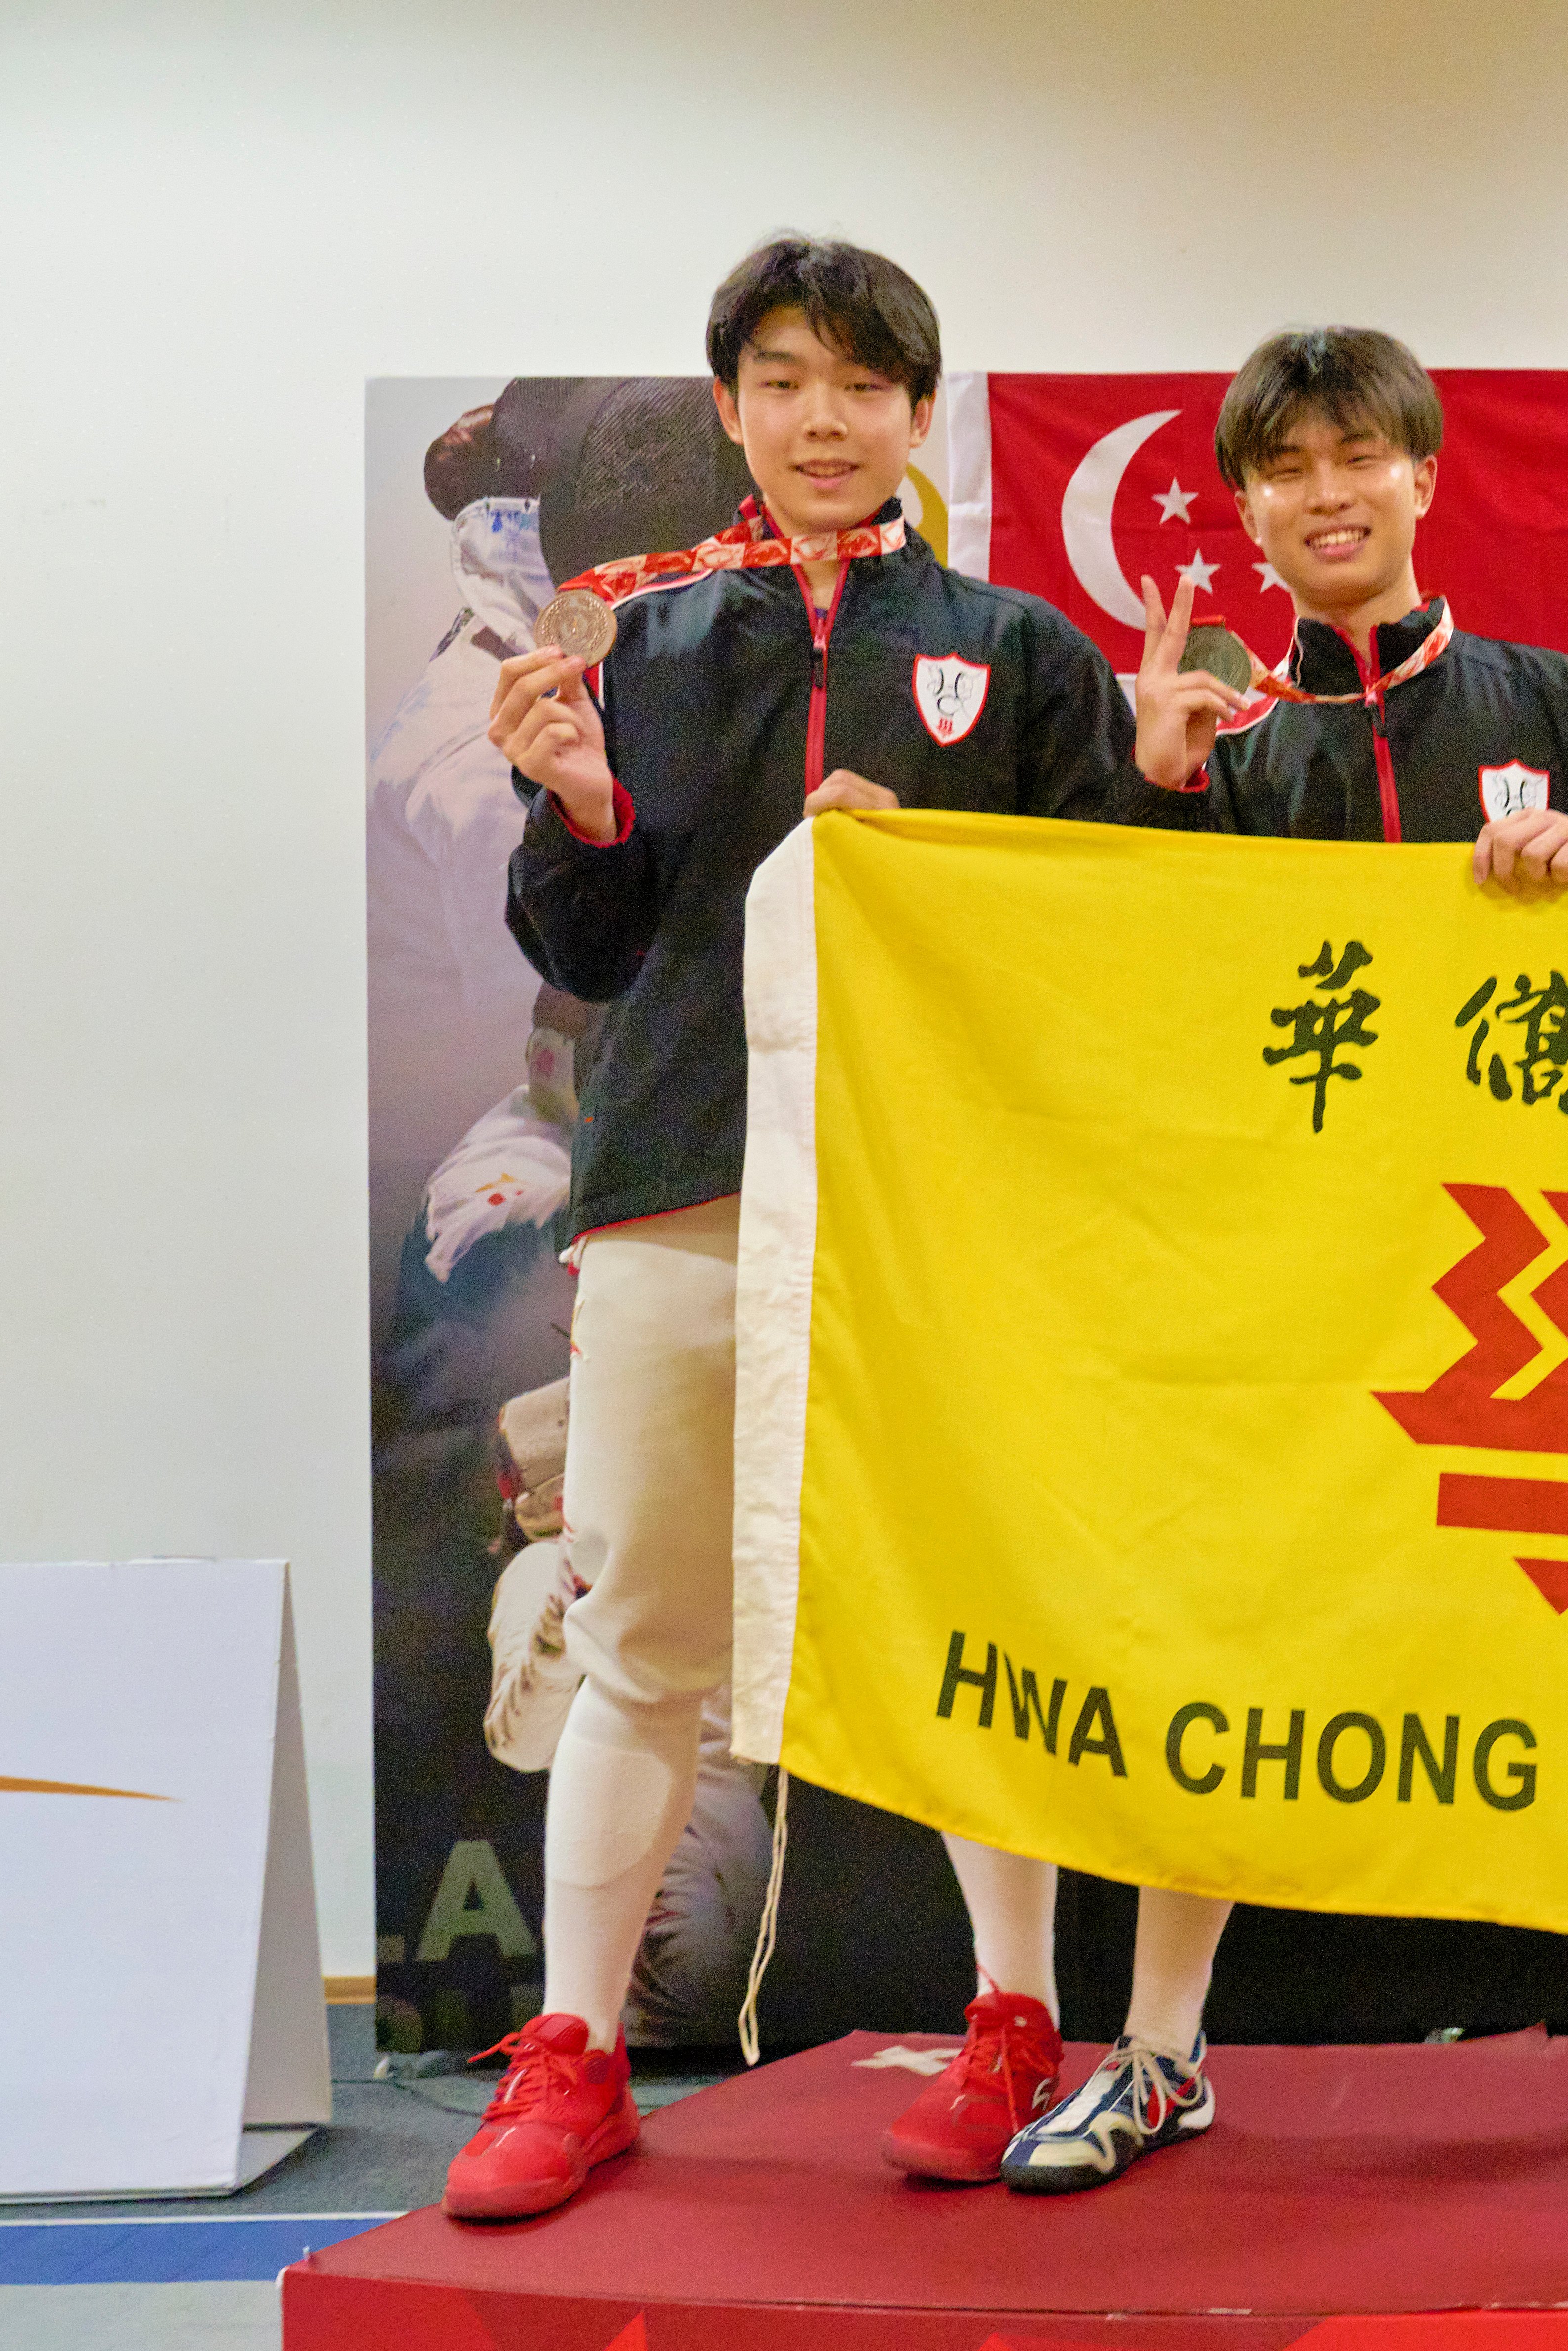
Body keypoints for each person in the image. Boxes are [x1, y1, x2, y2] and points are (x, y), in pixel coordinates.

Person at [449, 233, 1207, 2222]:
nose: (821, 418)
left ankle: (1015, 2019)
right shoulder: (639, 635)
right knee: (643, 1637)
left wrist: (1113, 801)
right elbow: (585, 948)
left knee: (982, 1625)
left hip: (938, 1214)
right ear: (729, 406)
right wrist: (587, 806)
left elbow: (1096, 948)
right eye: (782, 380)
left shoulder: (1018, 648)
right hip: (686, 1193)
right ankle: (582, 2050)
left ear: (918, 415)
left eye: (862, 386)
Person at [1117, 325, 1568, 2190]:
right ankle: (1158, 2046)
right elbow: (1125, 992)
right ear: (1246, 508)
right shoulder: (1213, 740)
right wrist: (1158, 793)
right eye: (1287, 467)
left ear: (1425, 475)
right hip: (1299, 1276)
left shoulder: (1561, 706)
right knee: (1231, 1647)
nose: (1326, 492)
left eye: (1360, 455)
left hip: (1548, 1265)